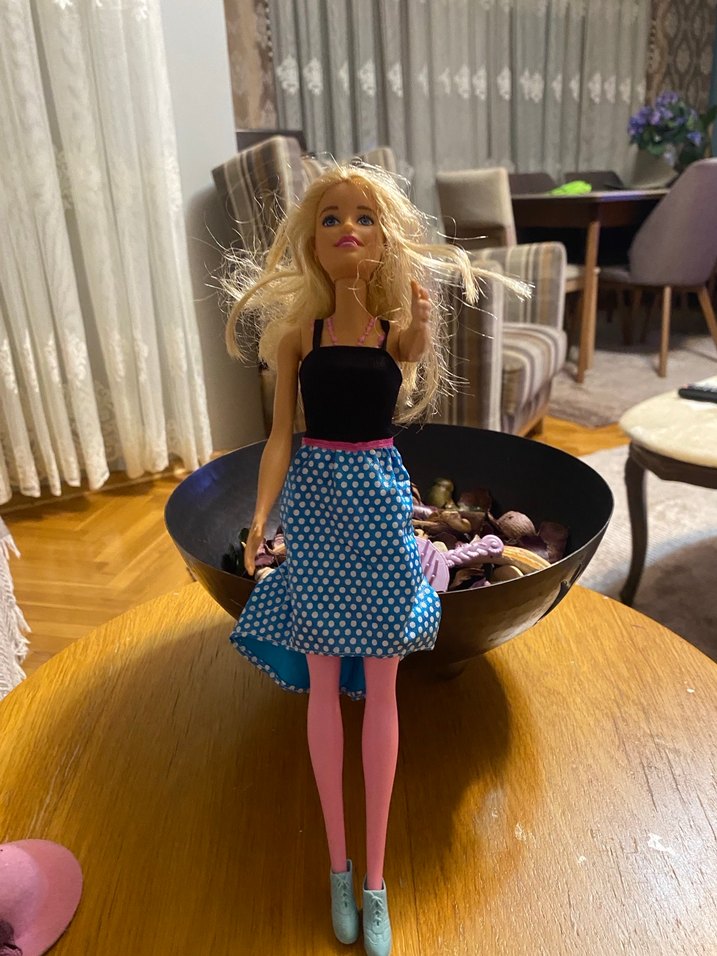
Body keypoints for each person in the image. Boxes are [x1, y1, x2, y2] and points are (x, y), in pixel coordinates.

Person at [224, 162, 512, 955]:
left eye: (363, 216)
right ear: (310, 240)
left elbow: (418, 344)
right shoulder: (298, 336)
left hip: (380, 504)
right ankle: (337, 868)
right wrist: (260, 521)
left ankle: (376, 879)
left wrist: (422, 315)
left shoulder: (392, 332)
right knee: (322, 688)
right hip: (315, 505)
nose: (347, 228)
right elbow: (279, 437)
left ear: (383, 237)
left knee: (383, 689)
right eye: (330, 217)